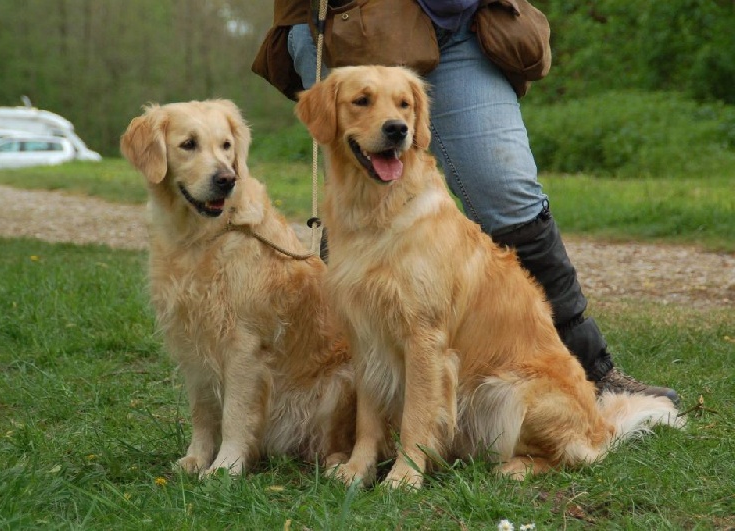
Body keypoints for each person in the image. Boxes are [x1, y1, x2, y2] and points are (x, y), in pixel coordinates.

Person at [256, 0, 678, 403]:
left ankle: (584, 372)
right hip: (352, 23)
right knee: (357, 201)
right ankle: (355, 411)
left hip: (461, 25)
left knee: (507, 189)